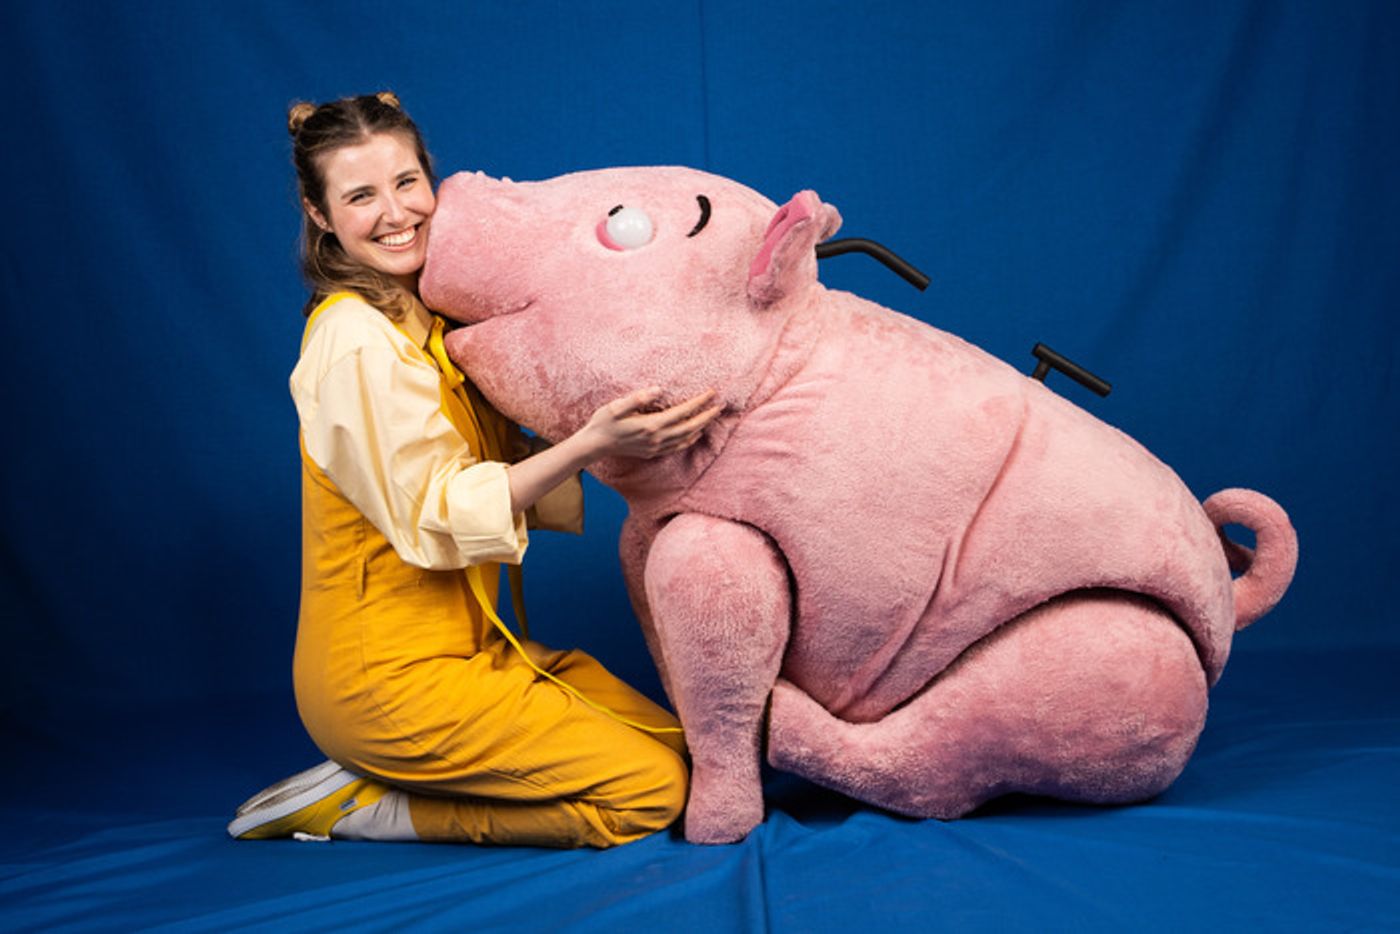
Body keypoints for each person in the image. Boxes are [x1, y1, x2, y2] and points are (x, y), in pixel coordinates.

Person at [227, 92, 721, 848]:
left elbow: (512, 454)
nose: (396, 213)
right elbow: (444, 507)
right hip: (385, 683)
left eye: (405, 182)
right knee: (652, 792)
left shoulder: (431, 315)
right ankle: (367, 809)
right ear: (320, 215)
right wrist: (590, 442)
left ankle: (387, 775)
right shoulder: (355, 342)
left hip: (474, 652)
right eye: (360, 196)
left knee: (690, 747)